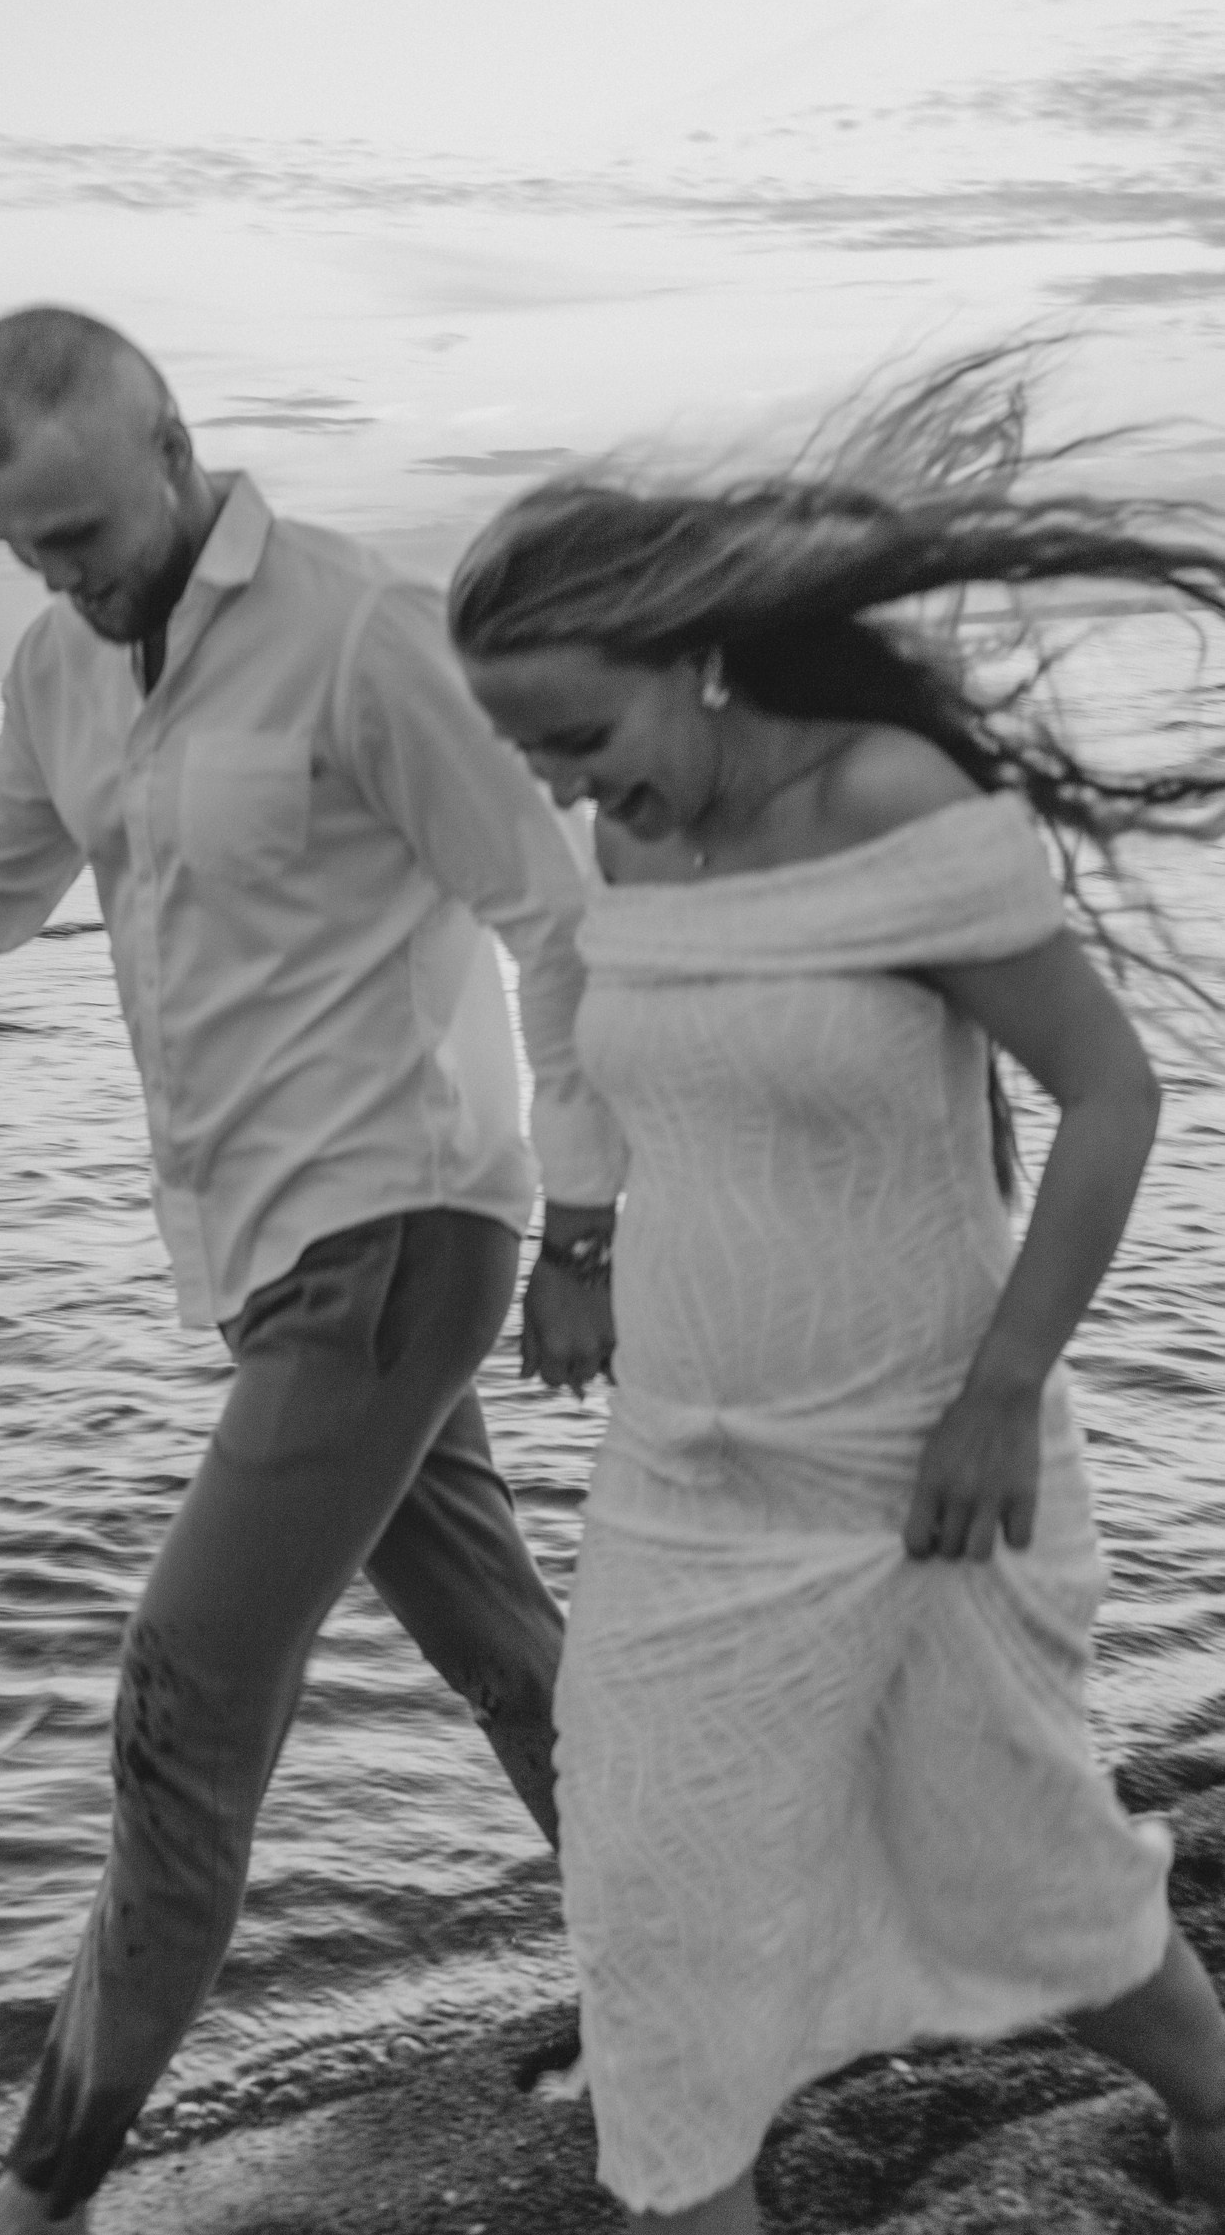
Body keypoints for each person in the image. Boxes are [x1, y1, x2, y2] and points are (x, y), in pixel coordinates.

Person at [0, 308, 625, 2232]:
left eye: (82, 534)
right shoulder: (62, 668)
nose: (62, 577)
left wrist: (587, 1224)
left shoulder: (361, 632)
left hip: (408, 1220)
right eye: (21, 550)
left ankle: (46, 2189)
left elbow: (555, 910)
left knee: (185, 1693)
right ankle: (692, 1966)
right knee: (515, 1657)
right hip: (270, 1260)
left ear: (175, 450)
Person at [446, 348, 1225, 2234]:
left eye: (579, 732)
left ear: (695, 656)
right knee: (647, 1898)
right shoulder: (630, 842)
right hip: (688, 1471)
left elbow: (1109, 1095)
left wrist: (1002, 1392)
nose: (565, 783)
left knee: (1012, 1868)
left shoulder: (891, 798)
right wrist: (580, 1240)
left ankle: (1216, 2104)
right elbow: (621, 1047)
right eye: (532, 756)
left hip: (921, 1469)